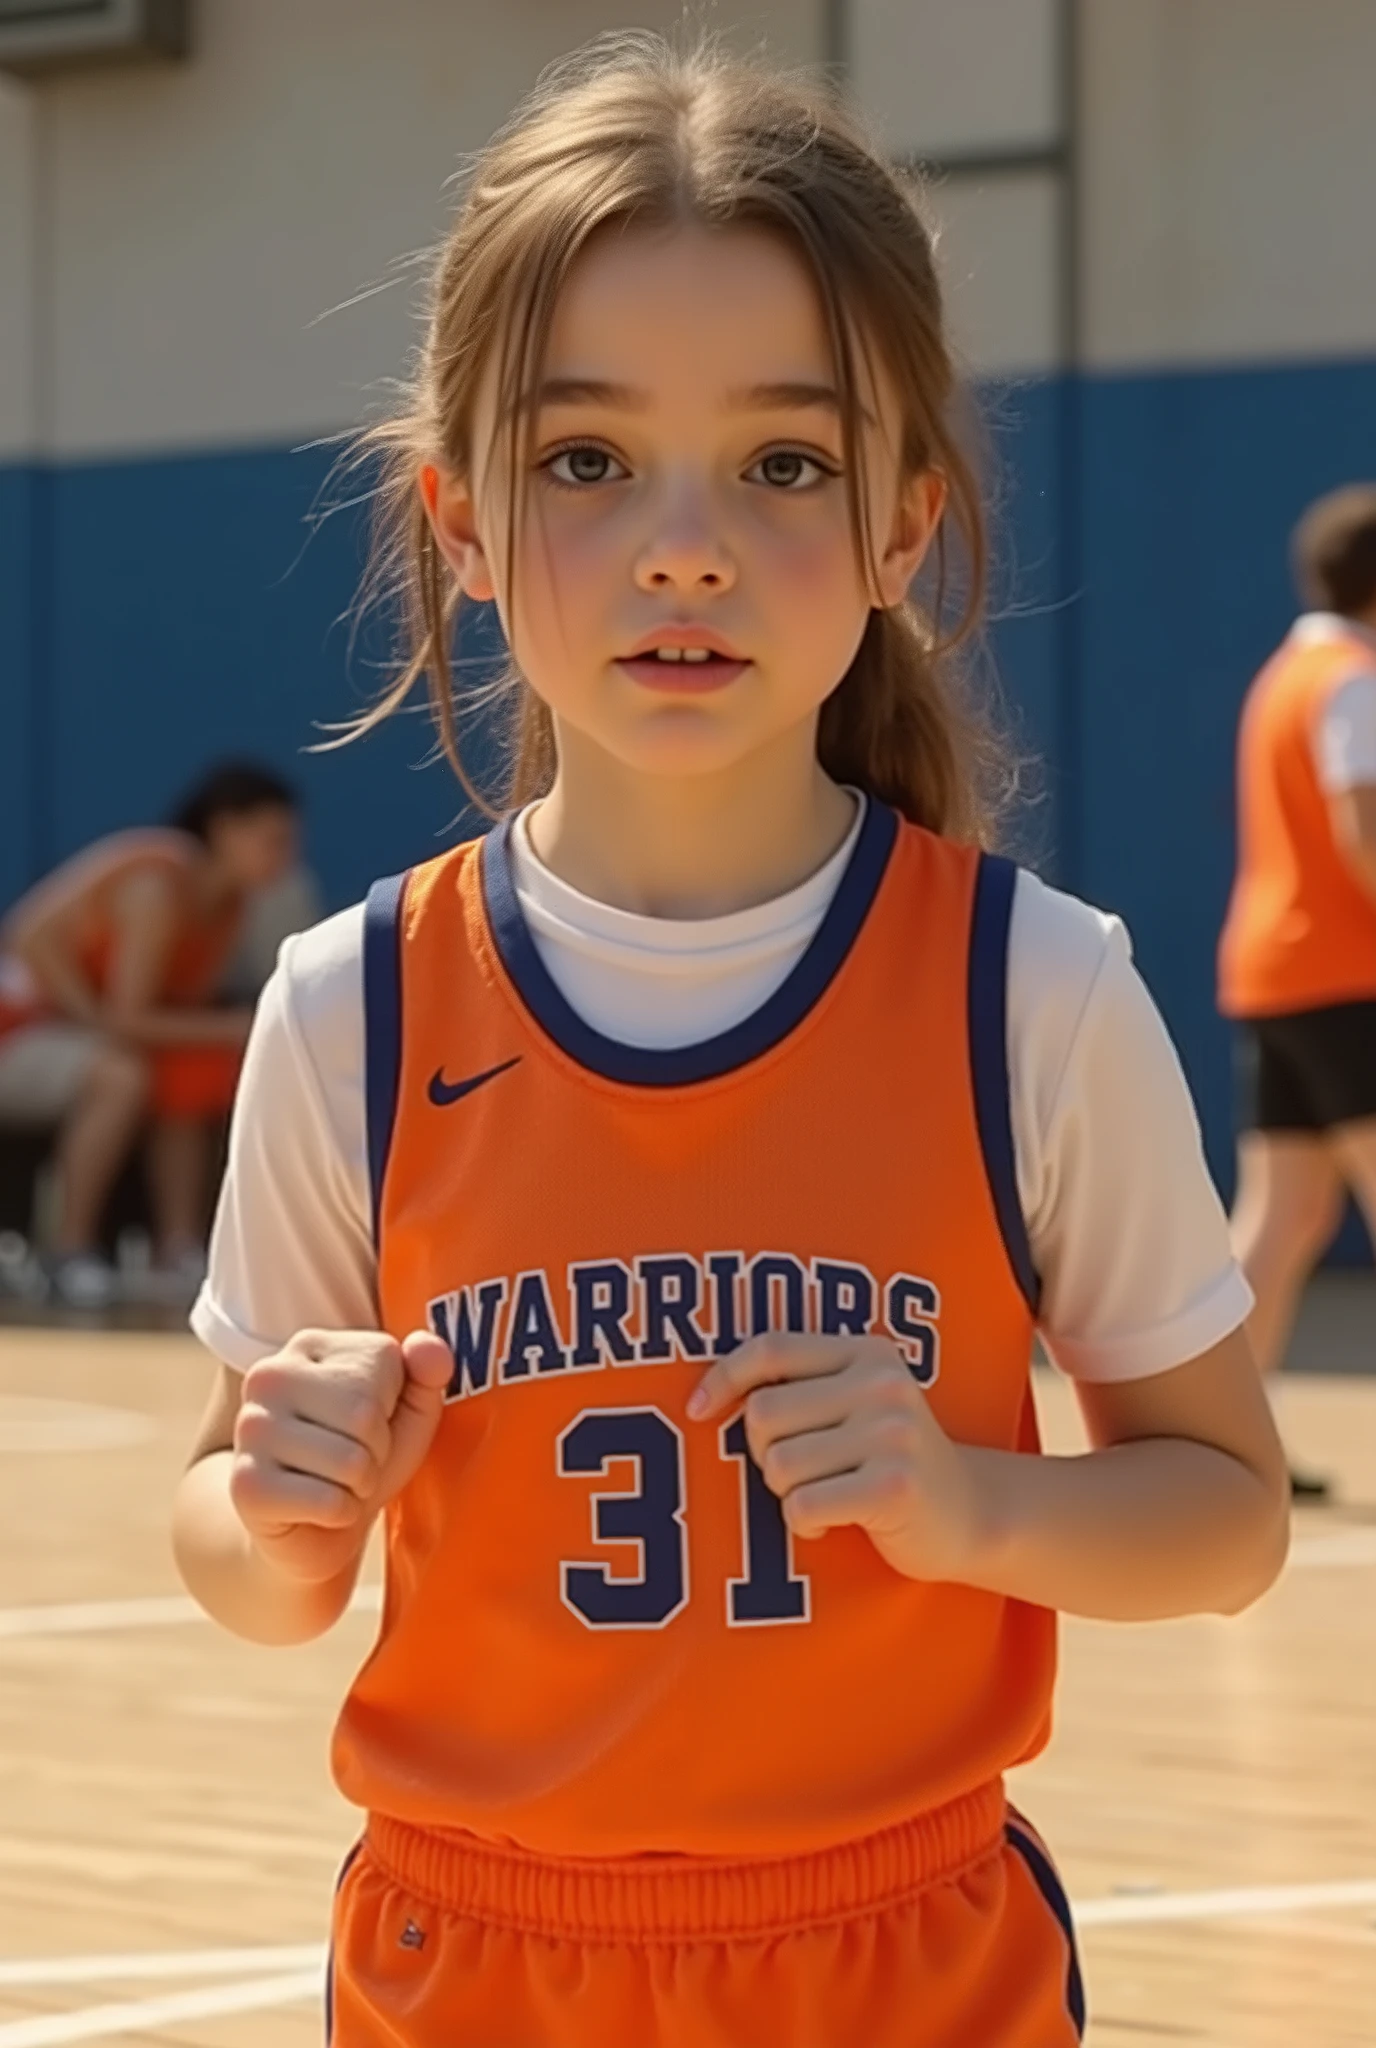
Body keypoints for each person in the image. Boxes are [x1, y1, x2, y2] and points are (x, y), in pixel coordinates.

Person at [173, 38, 1288, 2048]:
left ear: (899, 524)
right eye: (585, 460)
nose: (681, 546)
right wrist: (276, 1503)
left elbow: (1222, 1511)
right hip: (471, 1970)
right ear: (462, 521)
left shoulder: (1029, 989)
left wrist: (971, 1505)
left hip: (903, 1965)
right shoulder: (354, 1002)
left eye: (781, 463)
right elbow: (245, 1567)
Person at [0, 761, 299, 1308]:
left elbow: (155, 1020)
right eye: (272, 840)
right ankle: (66, 1252)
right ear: (224, 829)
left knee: (186, 1076)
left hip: (72, 1033)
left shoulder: (231, 904)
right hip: (18, 1029)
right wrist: (236, 1028)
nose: (285, 856)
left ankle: (177, 1250)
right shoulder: (158, 888)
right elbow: (127, 1020)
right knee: (121, 1076)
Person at [1219, 485, 1376, 1501]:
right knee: (1287, 1213)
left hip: (1271, 973)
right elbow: (1364, 835)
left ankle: (1216, 1434)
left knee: (1282, 1216)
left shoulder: (1284, 677)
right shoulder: (1353, 682)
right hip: (1346, 975)